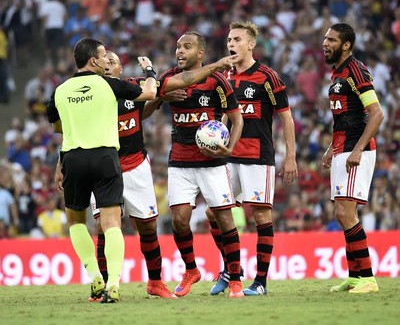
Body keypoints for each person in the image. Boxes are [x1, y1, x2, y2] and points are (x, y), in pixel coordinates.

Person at [89, 50, 238, 300]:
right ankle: (102, 286)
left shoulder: (133, 88)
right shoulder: (91, 94)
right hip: (104, 167)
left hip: (136, 165)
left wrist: (159, 95)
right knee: (104, 227)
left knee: (148, 226)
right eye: (105, 61)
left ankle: (156, 283)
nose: (107, 65)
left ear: (120, 69)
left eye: (112, 62)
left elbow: (148, 106)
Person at [47, 37, 158, 303]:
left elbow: (57, 128)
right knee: (110, 223)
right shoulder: (108, 84)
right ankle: (113, 283)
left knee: (76, 222)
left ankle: (95, 275)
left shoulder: (59, 91)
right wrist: (151, 73)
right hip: (106, 158)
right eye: (103, 56)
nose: (106, 61)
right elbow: (151, 93)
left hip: (73, 158)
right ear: (93, 60)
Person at [206, 21, 298, 296]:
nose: (231, 44)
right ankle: (231, 268)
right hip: (228, 156)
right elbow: (225, 115)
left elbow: (286, 117)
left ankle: (260, 282)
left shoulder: (268, 77)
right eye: (229, 40)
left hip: (258, 156)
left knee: (260, 216)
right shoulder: (225, 77)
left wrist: (290, 156)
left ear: (251, 44)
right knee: (213, 212)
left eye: (236, 39)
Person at [153, 31, 245, 298]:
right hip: (180, 162)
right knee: (180, 221)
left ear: (200, 53)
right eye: (178, 47)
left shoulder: (217, 81)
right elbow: (148, 107)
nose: (180, 51)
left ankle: (236, 278)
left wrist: (230, 147)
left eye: (187, 47)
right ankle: (191, 269)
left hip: (212, 164)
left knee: (225, 218)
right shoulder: (169, 79)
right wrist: (163, 97)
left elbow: (236, 119)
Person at [321, 23, 384, 294]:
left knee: (345, 213)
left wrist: (357, 149)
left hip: (356, 151)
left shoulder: (356, 71)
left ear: (346, 45)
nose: (325, 43)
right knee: (344, 213)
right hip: (342, 148)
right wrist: (330, 147)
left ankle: (368, 278)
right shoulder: (338, 73)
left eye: (332, 40)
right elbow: (346, 116)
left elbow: (377, 113)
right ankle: (355, 276)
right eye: (325, 38)